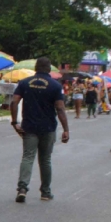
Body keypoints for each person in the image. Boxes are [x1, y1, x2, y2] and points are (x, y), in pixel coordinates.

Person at [9, 57, 70, 202]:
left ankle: (22, 188)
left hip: (29, 126)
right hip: (48, 127)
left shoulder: (24, 83)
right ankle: (45, 192)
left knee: (28, 157)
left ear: (36, 68)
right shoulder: (55, 86)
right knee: (45, 160)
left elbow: (14, 102)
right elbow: (60, 108)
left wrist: (14, 122)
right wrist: (66, 129)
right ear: (49, 69)